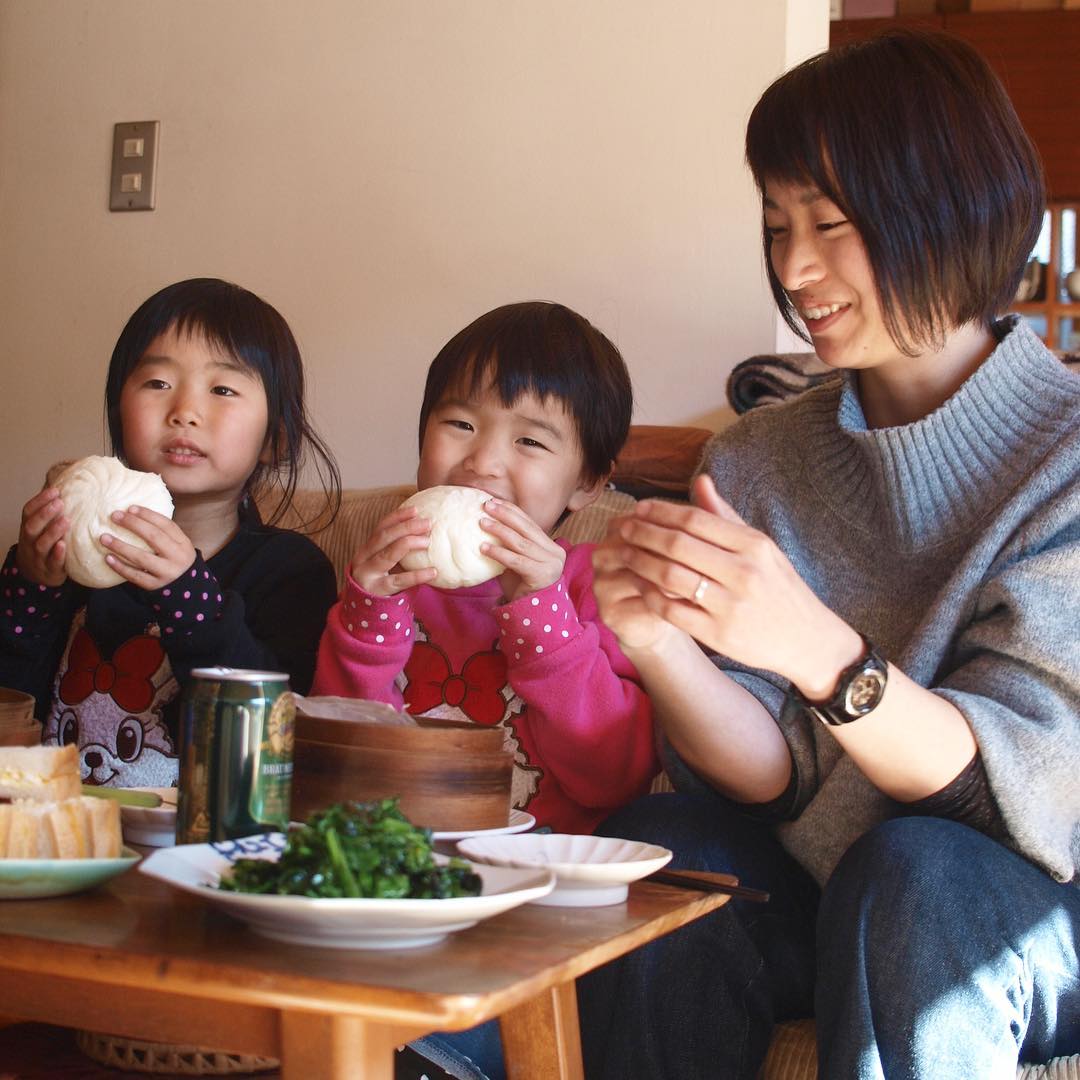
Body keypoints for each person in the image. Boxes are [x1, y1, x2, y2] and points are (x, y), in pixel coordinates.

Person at [578, 29, 1080, 1080]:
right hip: (827, 887)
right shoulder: (758, 459)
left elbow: (1012, 799)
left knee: (914, 875)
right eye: (775, 223)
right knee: (664, 850)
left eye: (832, 224)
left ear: (952, 209)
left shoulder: (1069, 453)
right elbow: (768, 778)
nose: (794, 268)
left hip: (1033, 901)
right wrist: (661, 648)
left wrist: (819, 650)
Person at [312, 301, 656, 836]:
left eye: (530, 441)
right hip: (395, 859)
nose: (482, 462)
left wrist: (546, 616)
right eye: (461, 423)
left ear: (588, 482)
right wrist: (366, 619)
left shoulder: (599, 586)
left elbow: (610, 779)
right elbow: (339, 769)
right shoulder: (385, 579)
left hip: (544, 876)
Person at [0, 278, 341, 788]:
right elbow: (13, 700)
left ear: (275, 440)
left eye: (222, 389)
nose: (184, 410)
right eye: (157, 383)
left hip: (192, 847)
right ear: (119, 413)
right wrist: (32, 585)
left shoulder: (289, 569)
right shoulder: (72, 554)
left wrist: (187, 595)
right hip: (58, 833)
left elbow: (273, 735)